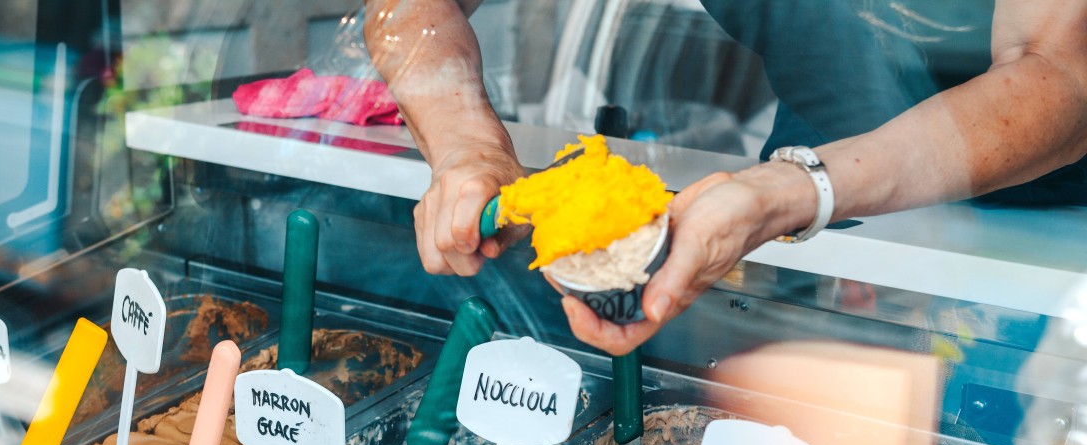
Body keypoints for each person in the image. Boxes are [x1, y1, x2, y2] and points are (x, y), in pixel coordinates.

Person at [363, 0, 1087, 355]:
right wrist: (466, 146)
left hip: (1040, 252)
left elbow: (1060, 75)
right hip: (799, 215)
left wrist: (801, 188)